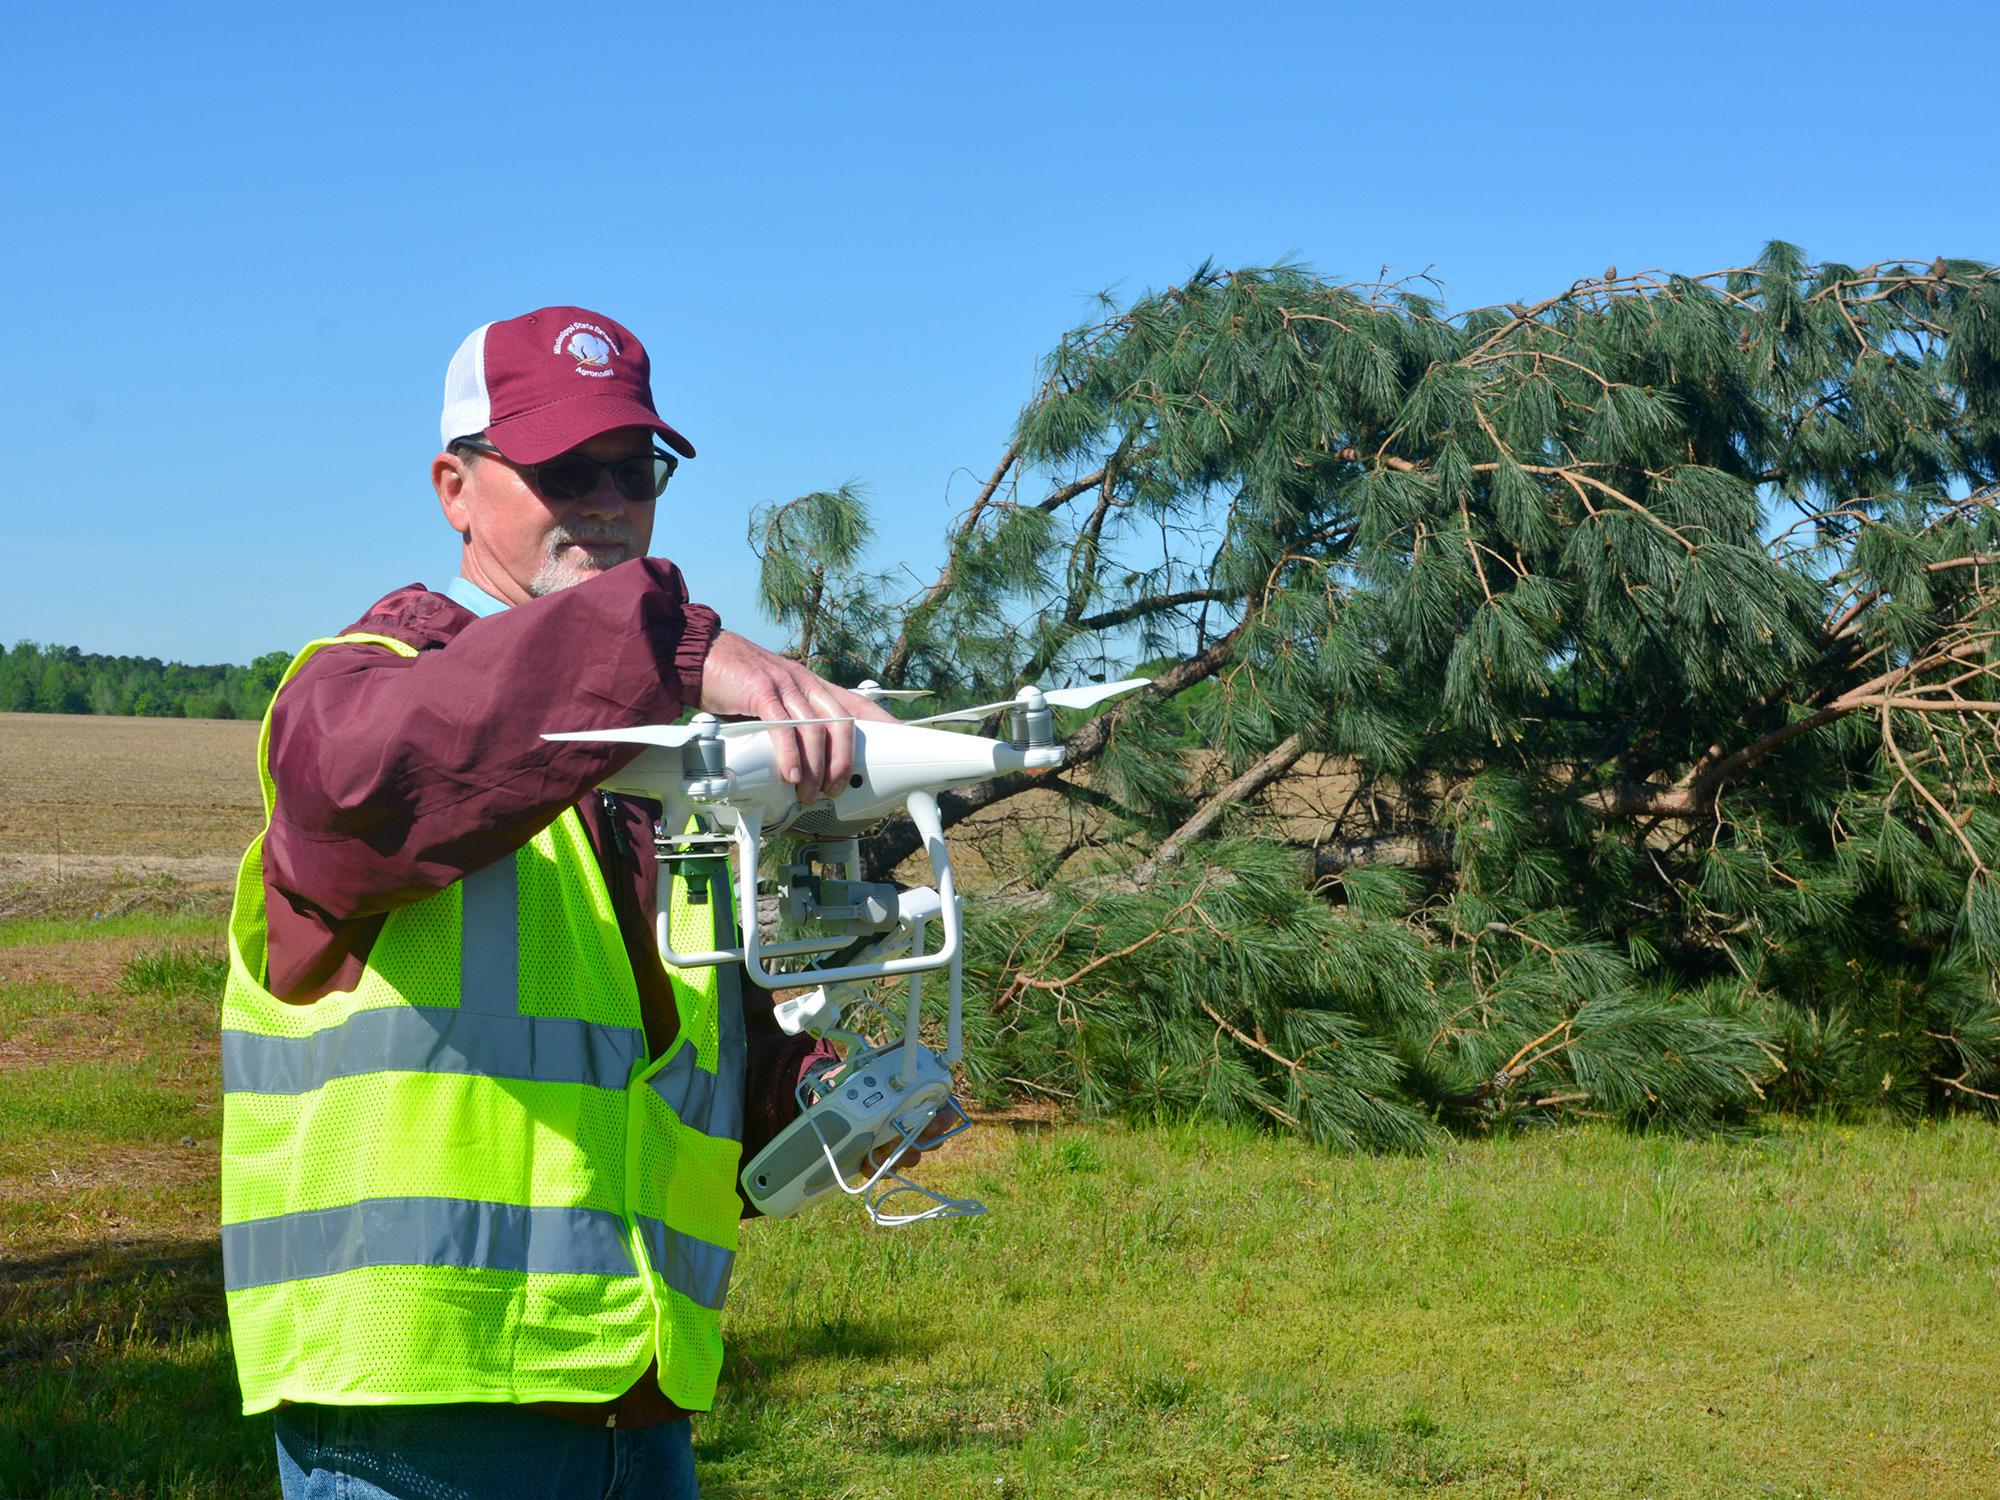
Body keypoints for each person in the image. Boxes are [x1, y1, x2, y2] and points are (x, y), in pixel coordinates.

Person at [218, 306, 900, 1500]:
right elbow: (382, 787)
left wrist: (808, 1089)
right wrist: (680, 643)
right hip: (420, 1408)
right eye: (559, 467)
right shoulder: (359, 693)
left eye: (631, 469)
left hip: (637, 1402)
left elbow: (656, 1062)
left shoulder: (655, 760)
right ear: (454, 488)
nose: (604, 500)